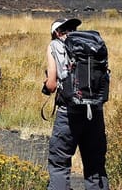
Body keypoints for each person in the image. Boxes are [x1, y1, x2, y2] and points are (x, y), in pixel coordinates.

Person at [44, 18, 108, 190]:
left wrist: (46, 87)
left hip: (68, 113)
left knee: (60, 163)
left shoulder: (54, 46)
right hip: (95, 111)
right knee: (95, 166)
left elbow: (51, 84)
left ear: (56, 33)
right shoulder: (91, 45)